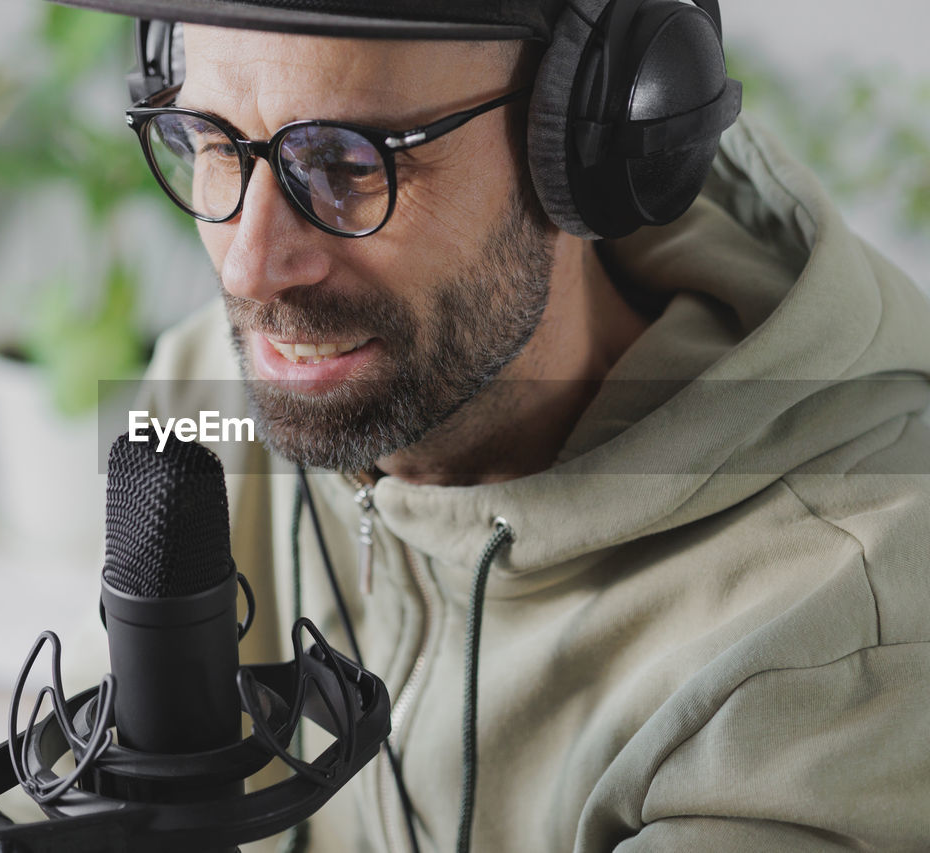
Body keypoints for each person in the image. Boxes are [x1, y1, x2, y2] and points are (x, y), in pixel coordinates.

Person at [60, 1, 930, 850]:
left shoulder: (836, 623)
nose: (252, 266)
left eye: (347, 161)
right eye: (210, 143)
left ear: (588, 139)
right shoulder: (203, 399)